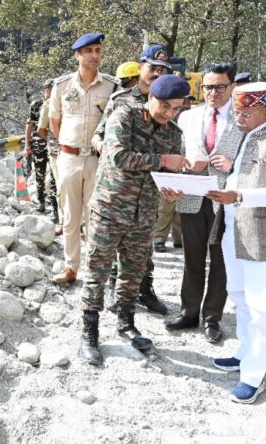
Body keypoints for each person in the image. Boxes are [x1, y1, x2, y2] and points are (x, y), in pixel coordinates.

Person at [202, 82, 266, 403]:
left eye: (245, 113)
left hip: (265, 238)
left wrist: (239, 195)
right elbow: (233, 177)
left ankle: (254, 375)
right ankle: (245, 351)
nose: (239, 118)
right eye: (236, 112)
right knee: (239, 296)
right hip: (234, 231)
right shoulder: (244, 135)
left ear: (265, 109)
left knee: (260, 308)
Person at [78, 75, 191, 365]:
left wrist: (172, 187)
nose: (168, 113)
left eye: (176, 108)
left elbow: (167, 175)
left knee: (133, 273)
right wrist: (163, 161)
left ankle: (126, 322)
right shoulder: (124, 115)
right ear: (150, 97)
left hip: (144, 214)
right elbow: (118, 157)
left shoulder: (174, 134)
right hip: (110, 209)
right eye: (164, 106)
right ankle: (89, 332)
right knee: (97, 270)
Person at [90, 44, 175, 314]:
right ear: (141, 67)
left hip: (147, 192)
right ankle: (116, 290)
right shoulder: (121, 100)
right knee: (108, 249)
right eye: (153, 68)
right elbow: (99, 134)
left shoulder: (170, 101)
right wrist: (103, 146)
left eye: (163, 70)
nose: (157, 73)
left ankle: (144, 289)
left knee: (142, 249)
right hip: (119, 187)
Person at [165, 62, 237, 344]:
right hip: (192, 197)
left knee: (220, 261)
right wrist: (184, 169)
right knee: (192, 258)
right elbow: (176, 154)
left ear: (232, 87)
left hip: (226, 199)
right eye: (208, 87)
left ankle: (212, 318)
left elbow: (251, 161)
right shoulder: (187, 118)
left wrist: (231, 166)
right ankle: (189, 311)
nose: (213, 93)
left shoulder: (243, 119)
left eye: (220, 87)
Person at [49, 33, 118, 284]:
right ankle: (70, 268)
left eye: (98, 50)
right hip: (68, 158)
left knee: (96, 217)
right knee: (70, 216)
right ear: (77, 55)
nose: (94, 56)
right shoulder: (62, 86)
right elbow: (55, 122)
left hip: (98, 160)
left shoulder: (112, 86)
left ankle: (95, 270)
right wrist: (71, 145)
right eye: (88, 51)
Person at [24, 80, 59, 217]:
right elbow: (29, 125)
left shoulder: (58, 103)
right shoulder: (36, 105)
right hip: (38, 146)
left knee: (55, 177)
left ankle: (55, 207)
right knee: (40, 175)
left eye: (52, 88)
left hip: (54, 146)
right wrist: (27, 145)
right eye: (48, 89)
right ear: (45, 90)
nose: (49, 91)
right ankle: (41, 202)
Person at [37, 79, 61, 228]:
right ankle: (56, 214)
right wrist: (52, 140)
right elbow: (37, 128)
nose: (48, 91)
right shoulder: (42, 105)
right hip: (49, 149)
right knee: (54, 183)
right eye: (47, 89)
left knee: (57, 184)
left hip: (67, 151)